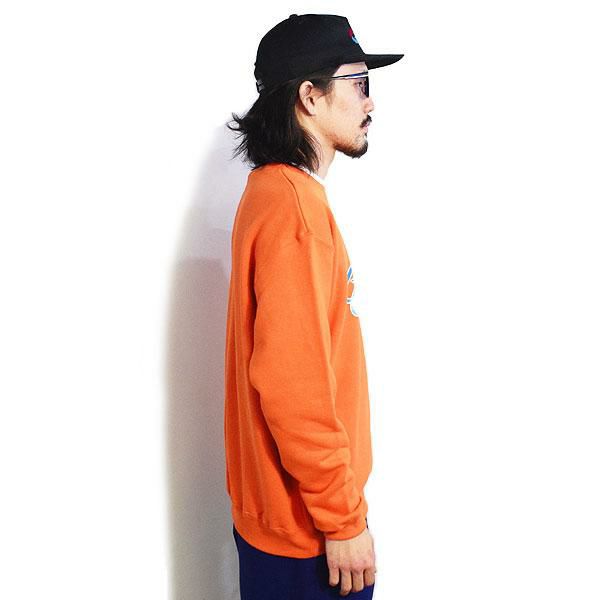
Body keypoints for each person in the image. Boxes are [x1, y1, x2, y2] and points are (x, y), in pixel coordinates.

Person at [223, 13, 403, 598]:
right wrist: (343, 520)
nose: (370, 102)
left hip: (288, 522)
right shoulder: (295, 212)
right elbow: (293, 386)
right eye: (359, 83)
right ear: (309, 96)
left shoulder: (271, 193)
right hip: (311, 536)